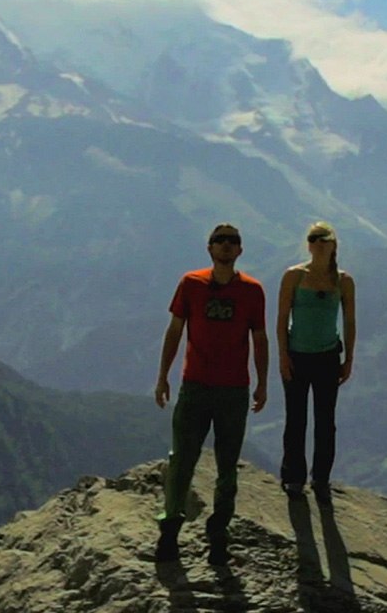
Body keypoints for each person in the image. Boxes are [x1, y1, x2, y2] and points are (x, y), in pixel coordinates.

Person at [154, 223, 269, 566]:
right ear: (209, 248)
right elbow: (175, 330)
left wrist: (262, 382)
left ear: (240, 250)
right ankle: (169, 532)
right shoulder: (191, 284)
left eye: (232, 241)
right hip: (196, 386)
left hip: (234, 389)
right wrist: (162, 376)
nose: (226, 246)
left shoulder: (253, 291)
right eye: (220, 241)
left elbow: (260, 338)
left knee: (227, 466)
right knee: (181, 461)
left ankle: (218, 535)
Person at [277, 221, 356, 505]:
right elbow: (281, 319)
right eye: (314, 238)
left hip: (327, 357)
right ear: (308, 244)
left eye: (324, 239)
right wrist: (283, 356)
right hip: (297, 355)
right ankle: (294, 477)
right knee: (295, 418)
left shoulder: (344, 281)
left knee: (326, 421)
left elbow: (349, 321)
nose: (319, 243)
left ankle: (321, 478)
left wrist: (348, 358)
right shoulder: (293, 276)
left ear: (334, 245)